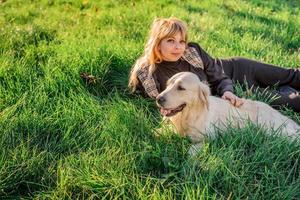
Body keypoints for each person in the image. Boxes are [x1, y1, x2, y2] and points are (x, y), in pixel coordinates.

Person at [128, 17, 300, 112]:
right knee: (288, 101)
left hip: (233, 72)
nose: (178, 47)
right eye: (171, 41)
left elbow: (218, 75)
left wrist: (227, 91)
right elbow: (161, 102)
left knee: (290, 75)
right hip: (227, 93)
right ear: (158, 43)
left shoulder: (192, 50)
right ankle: (287, 91)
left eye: (182, 41)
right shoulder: (149, 74)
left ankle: (287, 85)